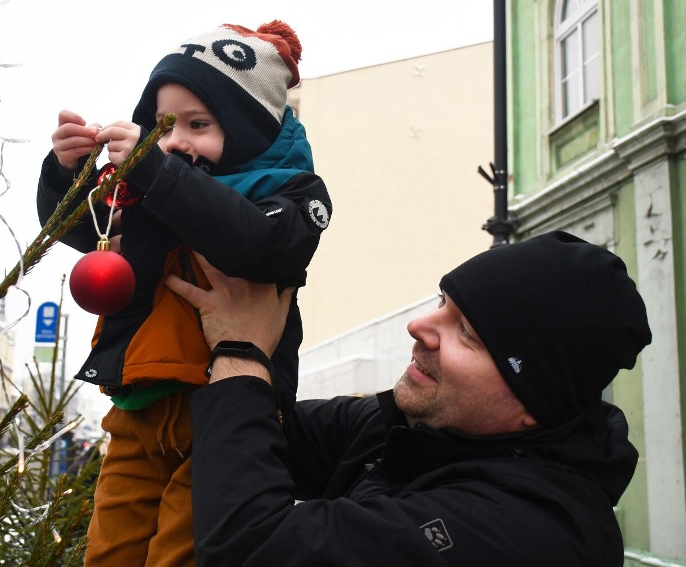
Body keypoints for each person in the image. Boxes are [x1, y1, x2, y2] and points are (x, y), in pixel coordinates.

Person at [165, 230, 652, 566]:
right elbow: (232, 437)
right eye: (444, 302)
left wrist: (240, 352)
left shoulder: (529, 534)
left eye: (467, 333)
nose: (419, 327)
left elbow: (250, 550)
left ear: (532, 404)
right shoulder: (413, 427)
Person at [36, 21, 331, 566]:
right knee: (110, 552)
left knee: (179, 554)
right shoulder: (155, 186)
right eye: (162, 125)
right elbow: (81, 229)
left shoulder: (291, 192)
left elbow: (255, 242)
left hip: (222, 416)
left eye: (199, 124)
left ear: (250, 131)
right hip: (137, 412)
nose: (175, 141)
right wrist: (66, 172)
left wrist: (154, 167)